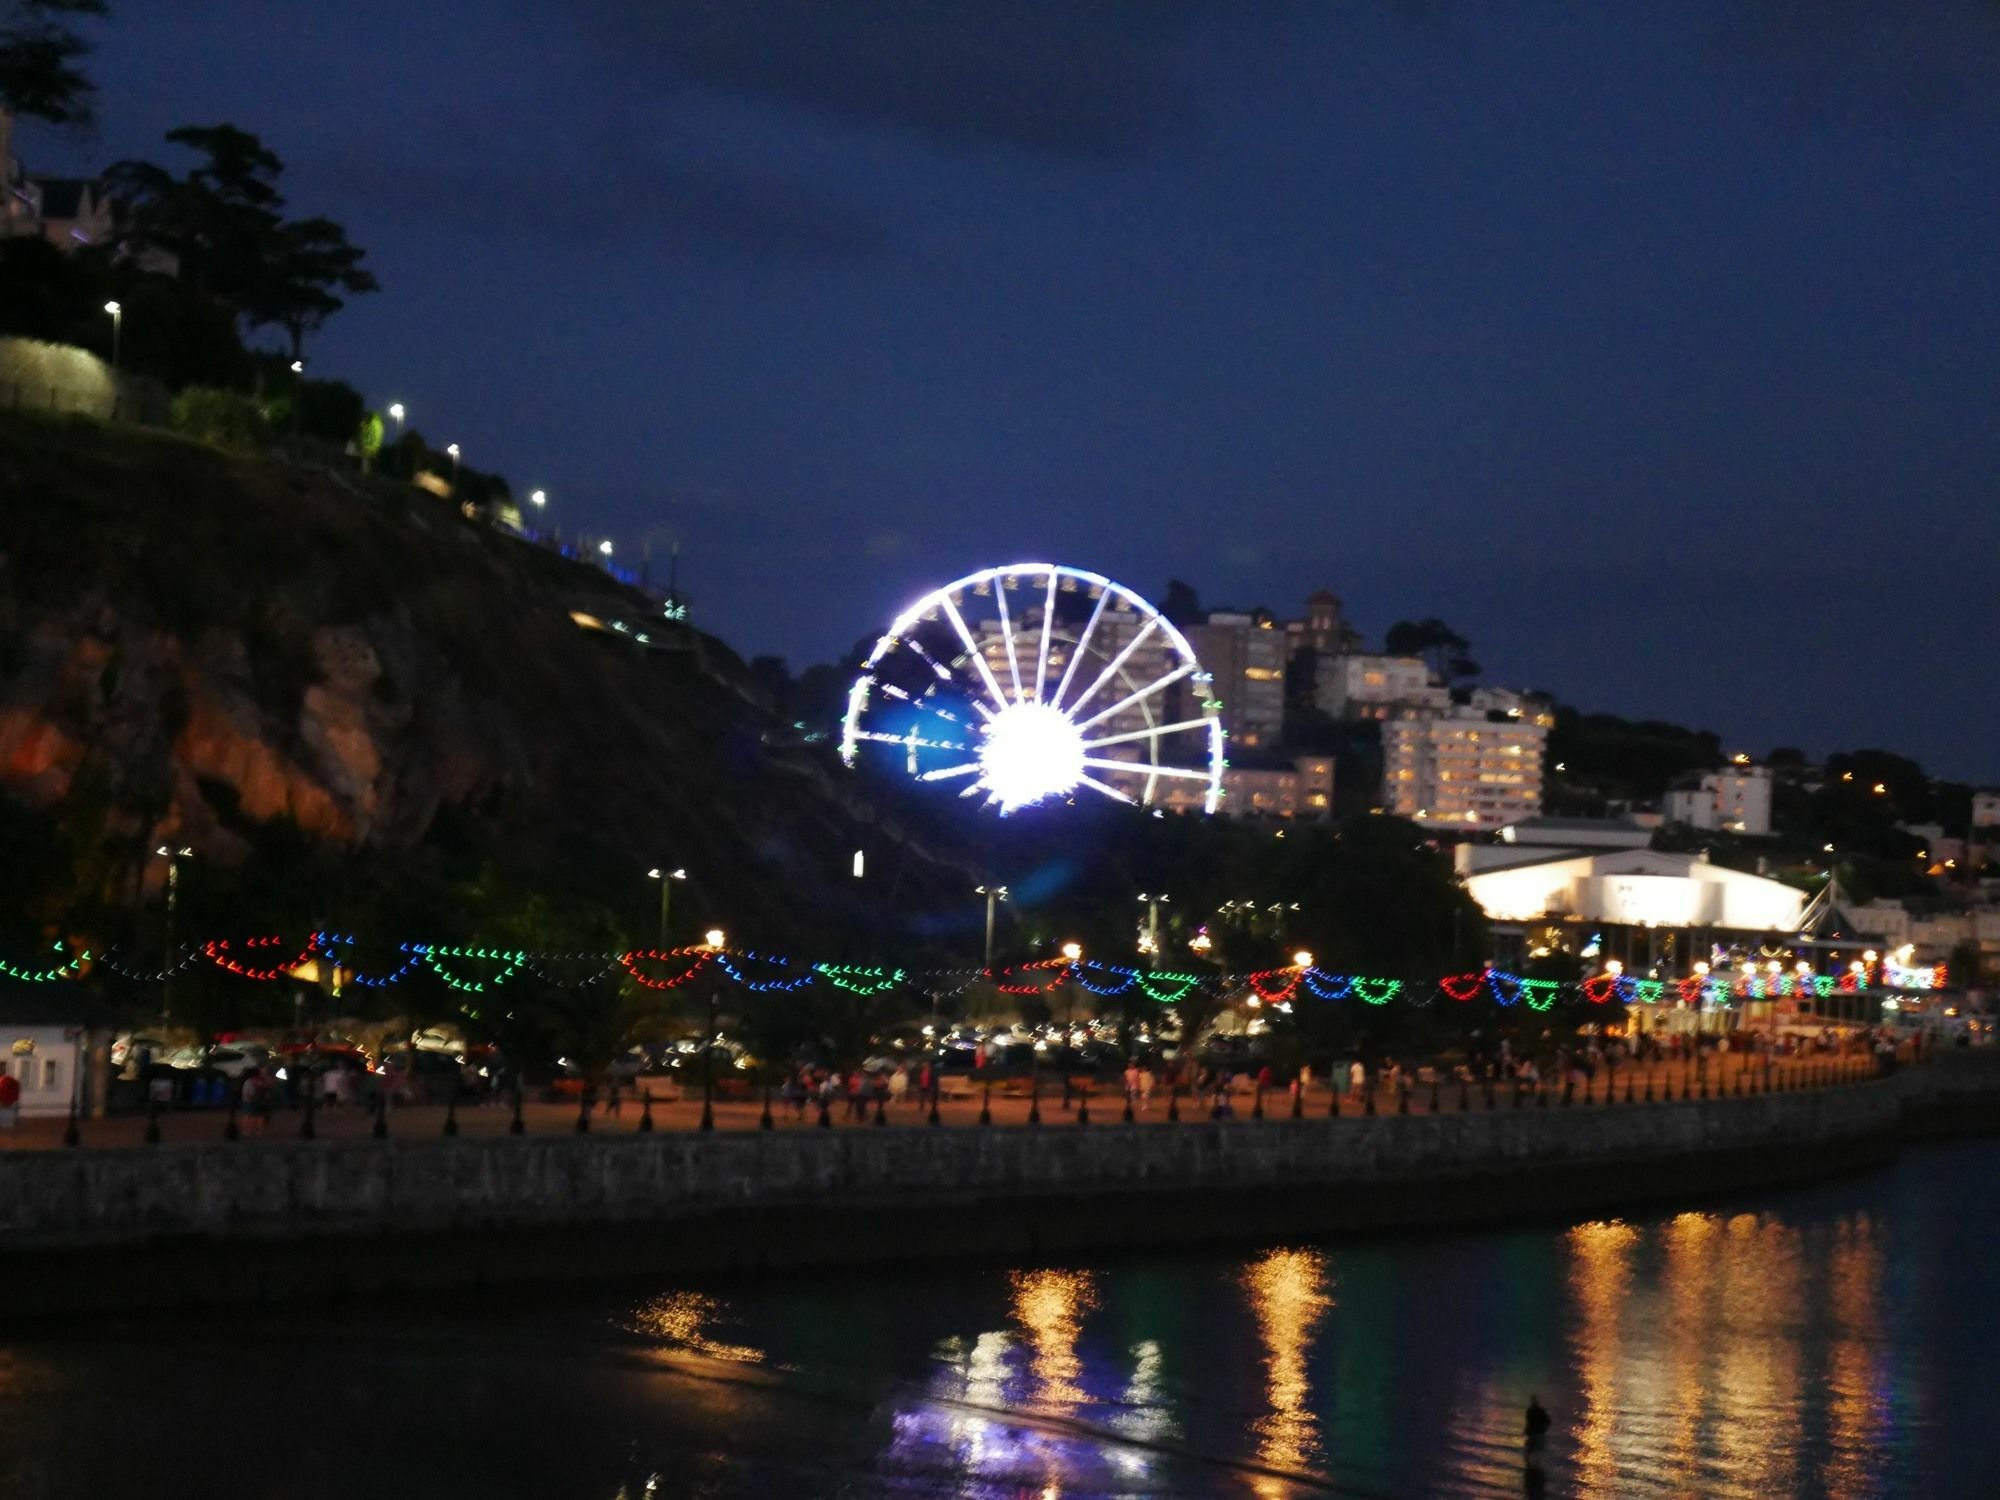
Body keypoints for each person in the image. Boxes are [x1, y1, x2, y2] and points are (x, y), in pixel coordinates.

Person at [1523, 1393, 1551, 1495]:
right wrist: (1544, 1429)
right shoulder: (1541, 1411)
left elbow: (1528, 1423)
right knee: (1538, 1451)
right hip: (1539, 1434)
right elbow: (1548, 1421)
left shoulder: (1530, 1411)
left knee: (1529, 1452)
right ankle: (1537, 1470)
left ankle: (1531, 1470)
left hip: (1532, 1434)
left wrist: (1526, 1431)